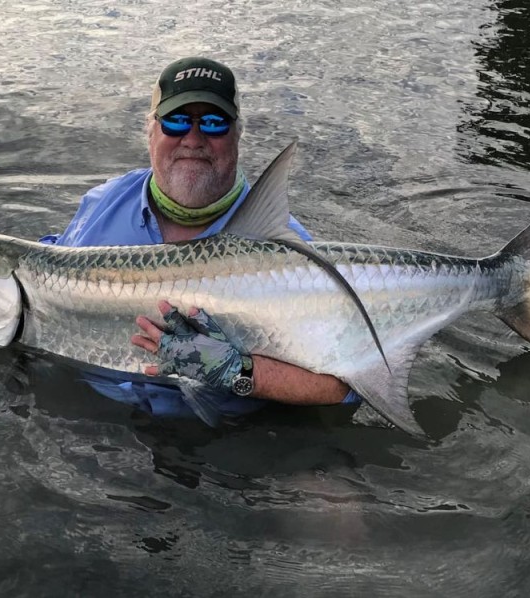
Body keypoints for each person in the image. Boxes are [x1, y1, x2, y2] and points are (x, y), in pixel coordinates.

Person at [37, 57, 362, 420]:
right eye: (176, 122)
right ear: (151, 131)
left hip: (222, 444)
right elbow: (47, 268)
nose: (193, 139)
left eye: (213, 123)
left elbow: (344, 389)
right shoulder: (102, 203)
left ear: (238, 134)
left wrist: (242, 373)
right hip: (97, 423)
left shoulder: (286, 252)